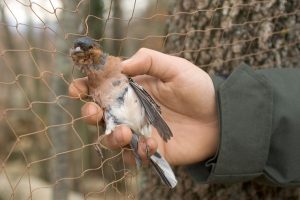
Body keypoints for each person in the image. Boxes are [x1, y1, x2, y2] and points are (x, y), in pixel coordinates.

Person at [69, 48, 300, 186]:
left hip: (143, 118)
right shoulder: (96, 82)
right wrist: (218, 115)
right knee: (118, 133)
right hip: (135, 126)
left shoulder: (119, 71)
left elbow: (142, 98)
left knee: (133, 137)